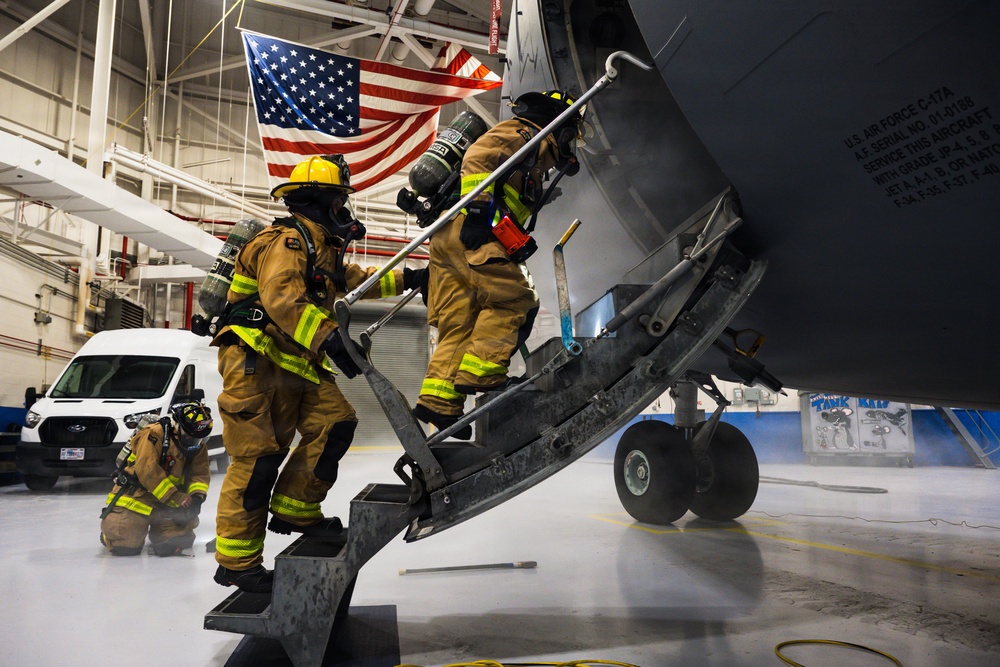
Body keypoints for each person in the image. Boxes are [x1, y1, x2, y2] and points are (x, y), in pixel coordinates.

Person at [210, 154, 426, 594]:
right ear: (322, 201)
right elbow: (281, 298)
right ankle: (237, 562)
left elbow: (356, 280)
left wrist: (412, 278)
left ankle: (295, 509)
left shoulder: (319, 248)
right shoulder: (287, 241)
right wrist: (329, 339)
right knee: (258, 462)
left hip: (296, 364)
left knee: (336, 422)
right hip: (256, 361)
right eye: (340, 203)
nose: (345, 213)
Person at [412, 90, 583, 438]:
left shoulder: (535, 155)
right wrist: (478, 213)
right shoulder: (526, 133)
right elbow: (477, 158)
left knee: (461, 319)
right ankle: (484, 376)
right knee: (514, 300)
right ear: (560, 123)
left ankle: (439, 406)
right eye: (573, 132)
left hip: (449, 234)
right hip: (471, 230)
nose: (573, 142)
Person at [99, 401, 213, 557]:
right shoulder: (154, 434)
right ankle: (110, 534)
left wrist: (196, 498)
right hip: (138, 496)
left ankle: (160, 531)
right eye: (189, 437)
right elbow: (148, 471)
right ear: (178, 427)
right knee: (124, 547)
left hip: (168, 502)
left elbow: (200, 474)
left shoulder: (198, 442)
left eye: (199, 439)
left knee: (179, 540)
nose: (194, 442)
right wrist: (176, 496)